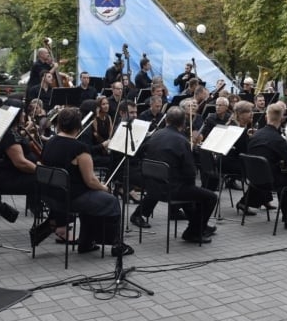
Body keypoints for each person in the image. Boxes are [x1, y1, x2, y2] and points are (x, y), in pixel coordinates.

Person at [39, 108, 134, 256]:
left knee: (94, 198)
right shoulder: (79, 148)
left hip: (50, 197)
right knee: (111, 201)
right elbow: (90, 180)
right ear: (78, 127)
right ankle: (116, 244)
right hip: (70, 198)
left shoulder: (50, 142)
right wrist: (104, 188)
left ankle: (86, 241)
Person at [130, 107, 218, 243]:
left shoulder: (156, 135)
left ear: (166, 120)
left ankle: (199, 225)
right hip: (170, 189)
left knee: (191, 192)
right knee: (210, 197)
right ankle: (193, 232)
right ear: (183, 124)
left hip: (152, 186)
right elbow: (190, 173)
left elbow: (141, 153)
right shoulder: (182, 141)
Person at [248, 103, 287, 229]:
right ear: (282, 119)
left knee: (283, 177)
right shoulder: (278, 140)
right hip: (271, 181)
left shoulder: (255, 135)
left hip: (254, 180)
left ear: (266, 117)